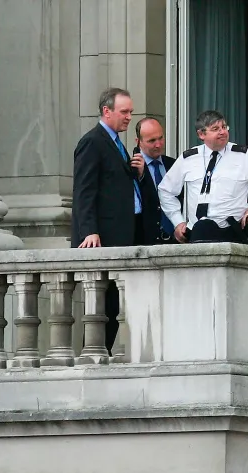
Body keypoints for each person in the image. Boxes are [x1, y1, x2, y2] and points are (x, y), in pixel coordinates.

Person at [72, 87, 153, 355]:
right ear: (107, 111)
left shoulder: (117, 143)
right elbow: (84, 191)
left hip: (124, 236)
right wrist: (89, 231)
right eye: (124, 112)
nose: (130, 117)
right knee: (102, 306)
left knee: (114, 304)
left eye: (131, 111)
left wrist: (138, 174)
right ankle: (93, 357)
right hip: (103, 238)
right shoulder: (93, 141)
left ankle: (100, 355)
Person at [157, 110, 248, 244]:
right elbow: (166, 190)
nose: (222, 132)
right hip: (197, 233)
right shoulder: (189, 158)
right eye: (215, 129)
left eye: (224, 127)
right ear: (201, 134)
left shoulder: (243, 155)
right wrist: (178, 222)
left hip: (231, 232)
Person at [134, 117, 180, 243]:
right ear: (138, 142)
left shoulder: (173, 164)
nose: (158, 144)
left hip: (175, 240)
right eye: (152, 141)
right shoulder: (131, 168)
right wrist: (141, 176)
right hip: (145, 242)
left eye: (161, 138)